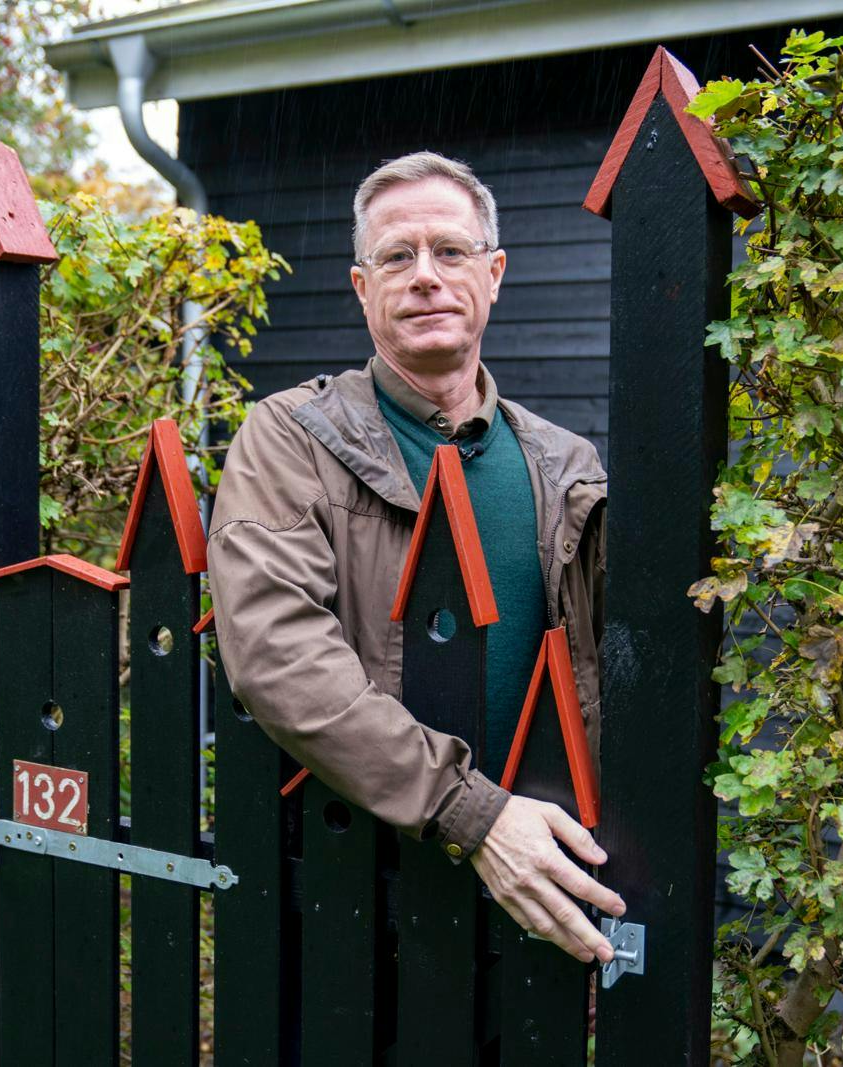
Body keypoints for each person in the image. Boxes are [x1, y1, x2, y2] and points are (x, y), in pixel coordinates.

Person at [207, 151, 625, 964]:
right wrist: (472, 813)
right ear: (362, 288)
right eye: (397, 256)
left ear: (494, 275)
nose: (426, 275)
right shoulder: (292, 439)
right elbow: (278, 656)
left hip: (542, 887)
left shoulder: (564, 465)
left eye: (451, 250)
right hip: (351, 893)